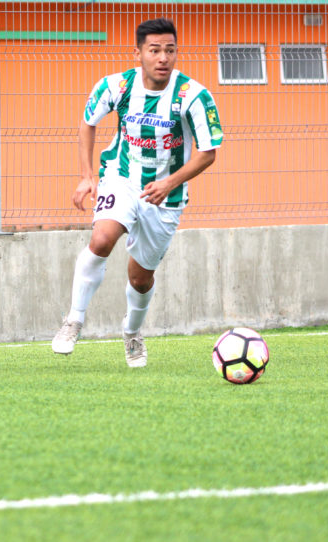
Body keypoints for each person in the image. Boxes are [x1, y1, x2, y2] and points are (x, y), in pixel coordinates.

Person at [52, 18, 223, 367]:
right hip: (121, 177)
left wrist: (169, 182)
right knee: (102, 239)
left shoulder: (194, 96)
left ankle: (131, 332)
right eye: (155, 50)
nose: (163, 58)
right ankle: (73, 320)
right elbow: (88, 122)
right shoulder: (117, 86)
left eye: (170, 50)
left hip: (166, 197)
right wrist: (87, 176)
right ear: (139, 53)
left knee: (140, 278)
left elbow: (208, 152)